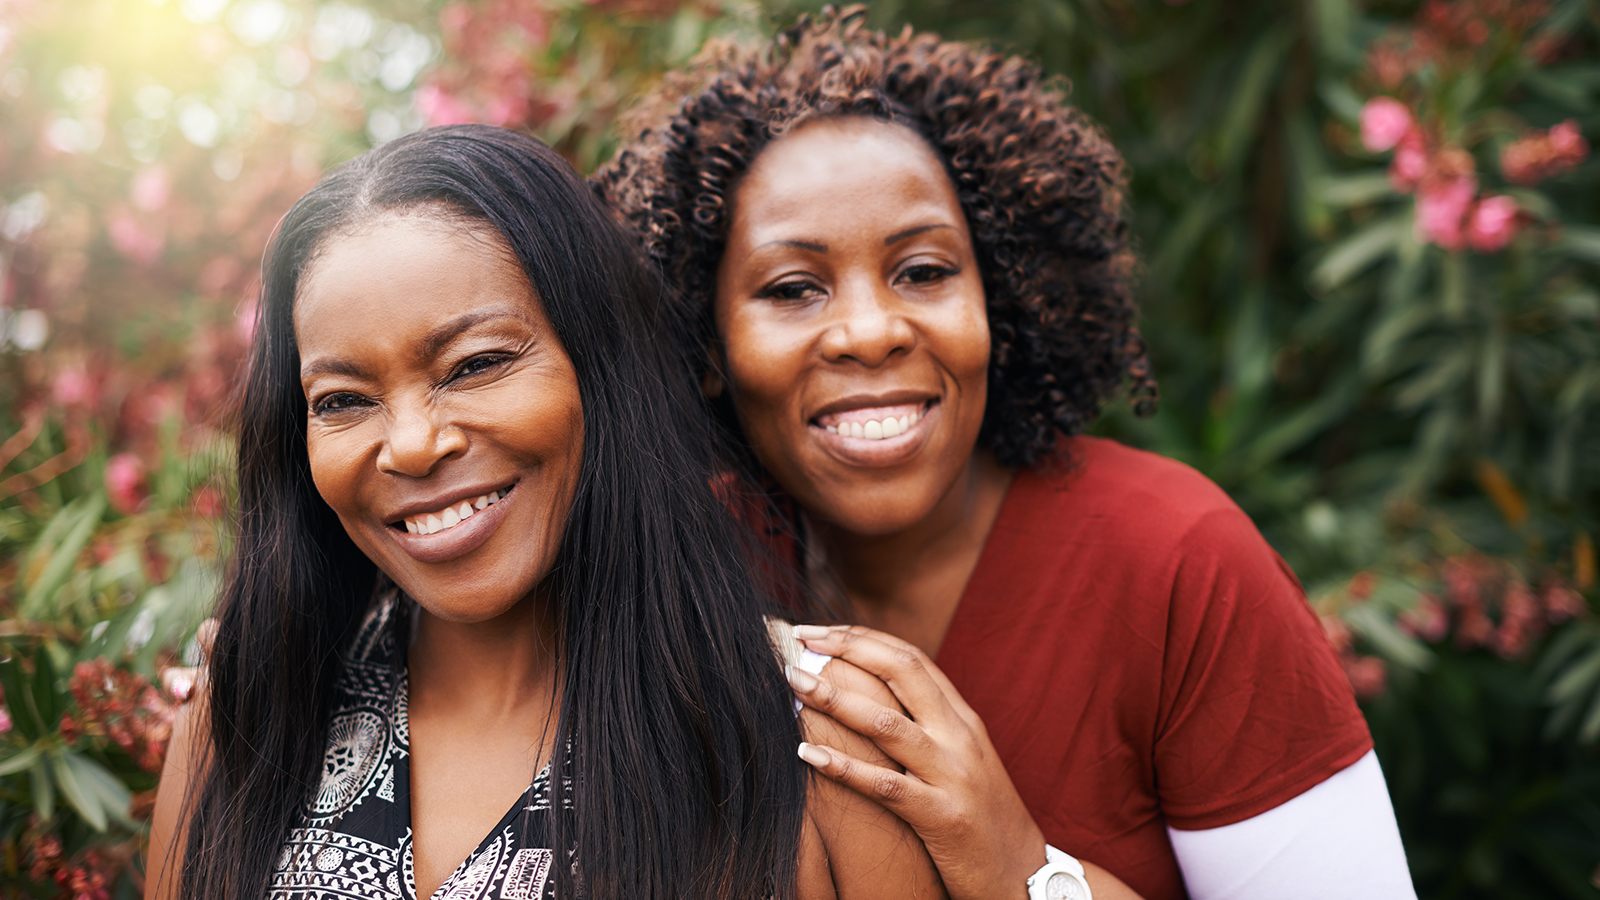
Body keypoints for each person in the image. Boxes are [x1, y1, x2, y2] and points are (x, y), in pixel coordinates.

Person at [595, 8, 1417, 900]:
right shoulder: (683, 569)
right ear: (706, 346)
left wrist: (1023, 869)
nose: (870, 332)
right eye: (794, 289)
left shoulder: (1175, 560)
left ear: (1004, 299)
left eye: (924, 271)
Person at [145, 124, 949, 900]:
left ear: (602, 369)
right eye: (344, 400)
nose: (414, 446)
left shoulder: (824, 741)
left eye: (476, 364)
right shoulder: (242, 728)